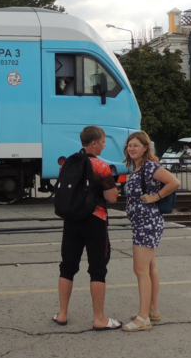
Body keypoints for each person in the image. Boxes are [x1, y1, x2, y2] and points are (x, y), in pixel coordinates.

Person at [55, 126, 122, 330]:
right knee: (97, 269)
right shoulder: (102, 167)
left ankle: (62, 314)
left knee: (67, 266)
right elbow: (111, 198)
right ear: (93, 143)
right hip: (95, 221)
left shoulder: (67, 163)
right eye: (102, 142)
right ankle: (99, 318)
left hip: (71, 220)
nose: (103, 145)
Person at [122, 131, 181, 331]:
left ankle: (143, 318)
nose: (132, 148)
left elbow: (174, 182)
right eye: (130, 145)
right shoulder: (138, 168)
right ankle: (152, 309)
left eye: (136, 145)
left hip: (146, 223)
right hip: (143, 222)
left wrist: (155, 196)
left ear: (146, 148)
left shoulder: (149, 166)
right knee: (149, 268)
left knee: (140, 269)